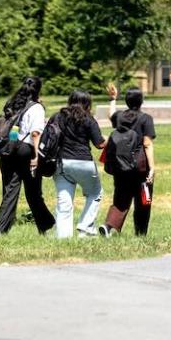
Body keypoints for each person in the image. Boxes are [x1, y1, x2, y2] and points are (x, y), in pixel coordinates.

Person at [0, 76, 54, 237]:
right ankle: (44, 226)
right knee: (33, 192)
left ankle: (1, 230)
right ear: (38, 90)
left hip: (8, 150)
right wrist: (35, 156)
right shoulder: (37, 108)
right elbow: (35, 133)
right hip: (26, 150)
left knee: (10, 191)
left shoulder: (13, 103)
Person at [99, 85, 157, 237]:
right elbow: (147, 143)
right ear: (141, 101)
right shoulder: (146, 119)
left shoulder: (119, 117)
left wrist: (112, 98)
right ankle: (141, 233)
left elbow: (111, 114)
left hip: (121, 166)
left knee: (120, 198)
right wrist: (151, 168)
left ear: (126, 101)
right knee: (144, 200)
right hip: (140, 168)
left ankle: (109, 226)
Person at [53, 90, 105, 239]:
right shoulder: (88, 119)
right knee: (95, 193)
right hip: (84, 163)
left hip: (61, 163)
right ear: (87, 103)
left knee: (64, 201)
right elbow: (99, 144)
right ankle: (85, 227)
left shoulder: (57, 117)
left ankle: (63, 237)